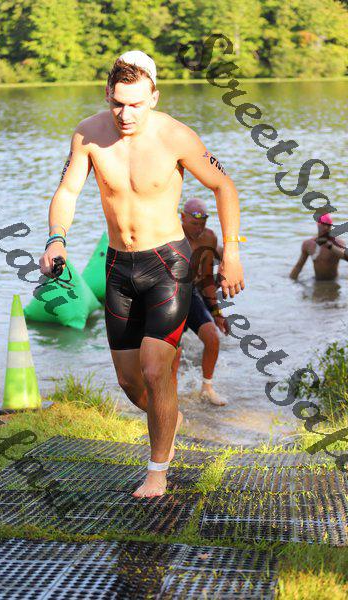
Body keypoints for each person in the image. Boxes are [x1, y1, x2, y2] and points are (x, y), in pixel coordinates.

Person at [39, 50, 245, 498]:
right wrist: (56, 239)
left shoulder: (176, 136)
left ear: (153, 97)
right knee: (131, 383)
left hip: (168, 264)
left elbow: (223, 186)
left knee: (155, 370)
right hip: (118, 267)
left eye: (135, 104)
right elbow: (68, 190)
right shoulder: (88, 134)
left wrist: (231, 252)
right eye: (118, 103)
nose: (126, 114)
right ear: (107, 95)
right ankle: (169, 419)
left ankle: (157, 471)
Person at [171, 197, 230, 406]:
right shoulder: (171, 235)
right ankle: (170, 396)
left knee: (212, 338)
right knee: (174, 350)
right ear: (182, 217)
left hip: (192, 294)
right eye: (194, 223)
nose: (198, 229)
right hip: (168, 296)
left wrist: (217, 313)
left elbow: (206, 278)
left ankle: (207, 388)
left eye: (202, 224)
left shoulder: (209, 238)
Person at [290, 214, 347, 281]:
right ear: (318, 225)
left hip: (333, 281)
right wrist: (290, 282)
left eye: (328, 225)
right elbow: (299, 266)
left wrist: (330, 246)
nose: (326, 227)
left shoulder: (338, 243)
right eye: (323, 224)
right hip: (317, 280)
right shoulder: (308, 244)